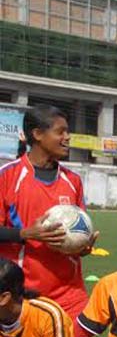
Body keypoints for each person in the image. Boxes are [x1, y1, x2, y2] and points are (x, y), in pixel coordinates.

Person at [0, 105, 97, 318]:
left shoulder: (72, 181)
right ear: (37, 134)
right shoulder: (7, 177)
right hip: (22, 293)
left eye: (68, 131)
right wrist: (25, 234)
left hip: (70, 292)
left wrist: (82, 246)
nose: (67, 137)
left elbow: (78, 230)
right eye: (60, 131)